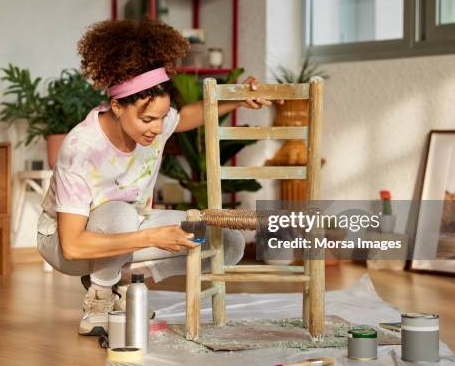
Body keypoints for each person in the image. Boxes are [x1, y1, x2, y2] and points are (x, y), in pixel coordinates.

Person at [37, 18, 279, 336]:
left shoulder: (158, 123)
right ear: (117, 106)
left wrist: (236, 100)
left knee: (227, 242)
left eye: (163, 118)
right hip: (65, 243)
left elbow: (188, 116)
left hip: (129, 227)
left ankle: (120, 280)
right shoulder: (81, 149)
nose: (157, 127)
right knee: (119, 212)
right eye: (148, 119)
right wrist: (153, 238)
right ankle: (100, 298)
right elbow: (72, 245)